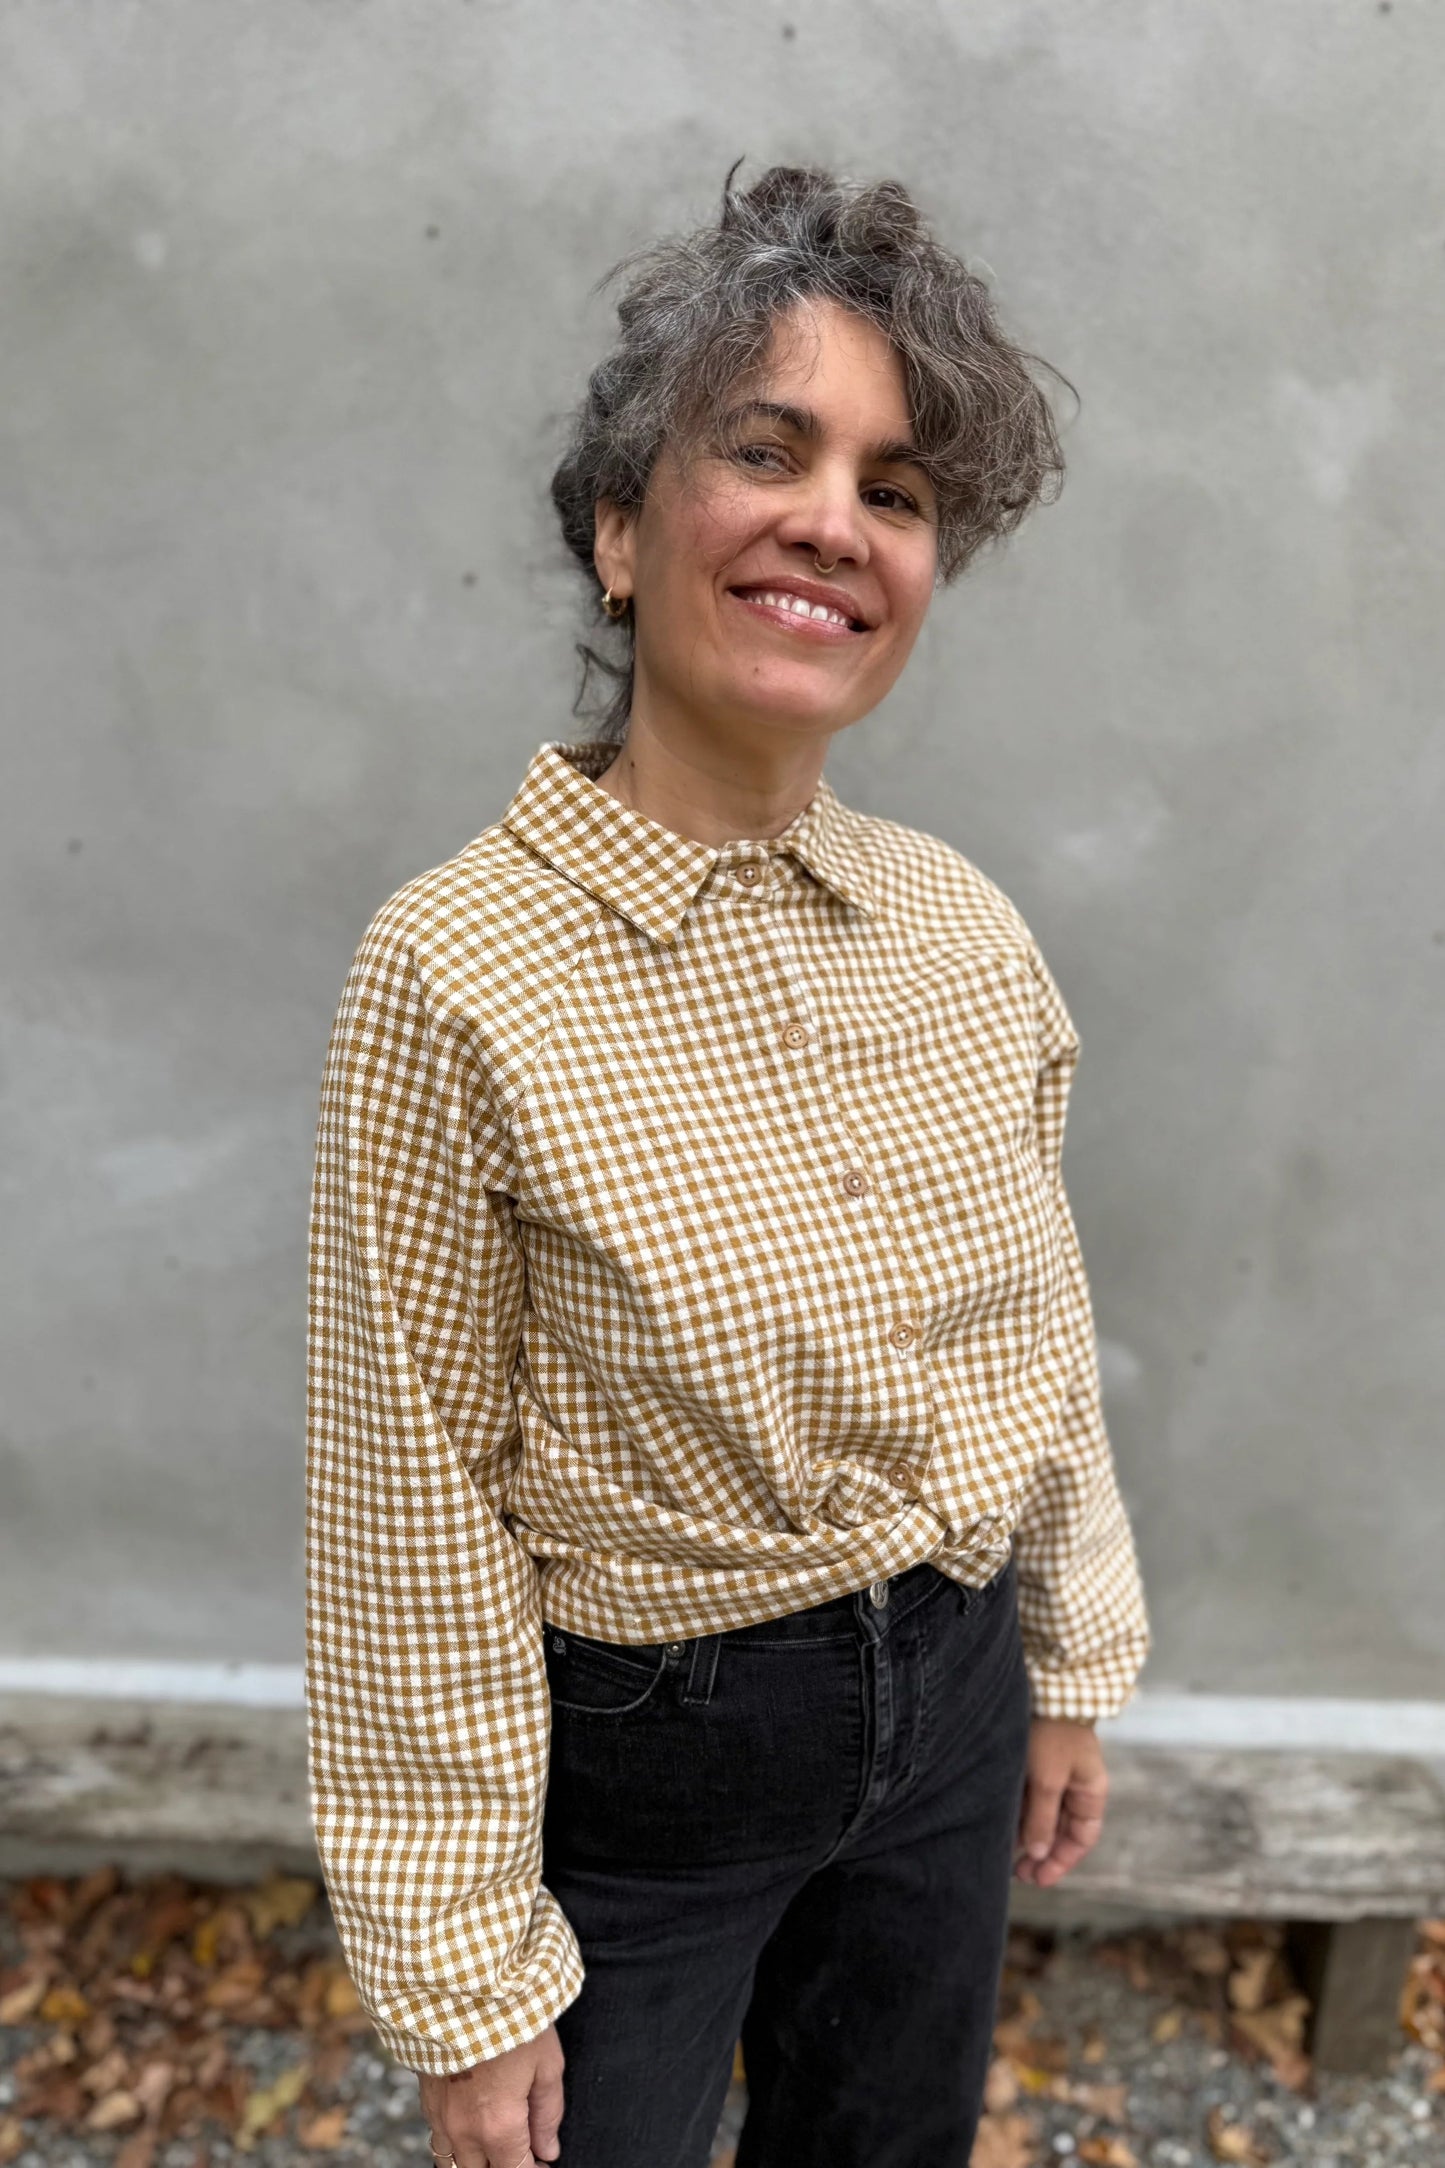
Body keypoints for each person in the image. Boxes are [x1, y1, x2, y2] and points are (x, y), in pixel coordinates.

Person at [305, 164, 1150, 2168]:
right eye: (765, 451)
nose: (833, 522)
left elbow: (1032, 1319)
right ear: (619, 528)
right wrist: (466, 1967)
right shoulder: (453, 973)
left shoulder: (962, 928)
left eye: (898, 486)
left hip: (947, 1699)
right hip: (647, 1772)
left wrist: (1068, 1656)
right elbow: (407, 1507)